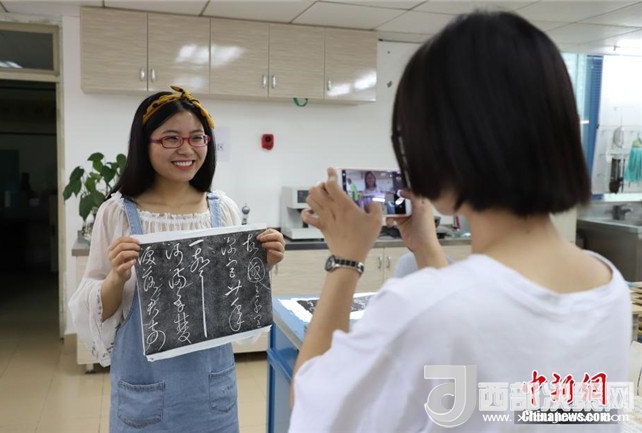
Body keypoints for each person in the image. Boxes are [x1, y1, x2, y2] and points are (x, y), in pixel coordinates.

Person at [289, 12, 630, 433]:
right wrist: (426, 246)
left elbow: (312, 409)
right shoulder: (609, 288)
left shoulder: (421, 309)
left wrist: (346, 260)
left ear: (442, 145)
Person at [68, 86, 285, 432]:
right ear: (144, 143)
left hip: (212, 393)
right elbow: (94, 309)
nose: (186, 149)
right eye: (171, 138)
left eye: (197, 138)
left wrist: (260, 266)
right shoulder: (117, 214)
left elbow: (235, 310)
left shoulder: (222, 210)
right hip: (143, 392)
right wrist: (116, 278)